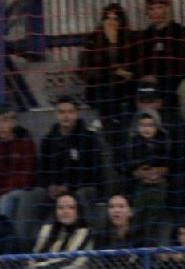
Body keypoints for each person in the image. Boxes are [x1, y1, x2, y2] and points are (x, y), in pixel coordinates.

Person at [33, 96, 104, 231]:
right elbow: (42, 170)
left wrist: (68, 187)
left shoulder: (89, 138)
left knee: (80, 195)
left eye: (70, 112)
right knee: (33, 196)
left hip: (84, 188)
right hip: (55, 190)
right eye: (61, 112)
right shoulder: (47, 141)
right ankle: (36, 243)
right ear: (56, 114)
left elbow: (94, 172)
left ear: (76, 114)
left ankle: (85, 236)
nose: (66, 116)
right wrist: (50, 186)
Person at [79, 3, 138, 154]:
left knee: (120, 128)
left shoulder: (130, 40)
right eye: (107, 18)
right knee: (108, 93)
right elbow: (84, 71)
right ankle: (116, 148)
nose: (111, 22)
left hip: (124, 93)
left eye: (115, 19)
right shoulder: (93, 39)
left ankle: (117, 147)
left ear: (122, 22)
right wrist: (113, 70)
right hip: (100, 92)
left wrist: (114, 44)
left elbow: (134, 70)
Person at [0, 107, 37, 232]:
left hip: (21, 191)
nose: (0, 126)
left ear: (13, 122)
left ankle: (4, 240)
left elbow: (26, 177)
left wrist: (0, 191)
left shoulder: (26, 144)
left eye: (4, 121)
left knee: (5, 200)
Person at [120, 110, 173, 232]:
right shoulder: (133, 143)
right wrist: (141, 173)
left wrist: (158, 173)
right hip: (139, 184)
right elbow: (128, 166)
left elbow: (169, 164)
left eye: (150, 125)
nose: (146, 129)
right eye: (143, 125)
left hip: (160, 182)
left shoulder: (164, 141)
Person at [133, 0, 185, 96]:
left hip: (176, 81)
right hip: (152, 83)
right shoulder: (145, 35)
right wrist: (146, 76)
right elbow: (140, 63)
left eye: (159, 7)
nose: (156, 12)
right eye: (152, 9)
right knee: (145, 89)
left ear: (166, 8)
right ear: (148, 12)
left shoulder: (180, 32)